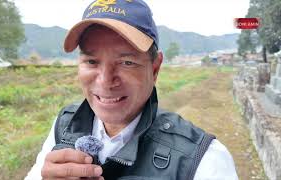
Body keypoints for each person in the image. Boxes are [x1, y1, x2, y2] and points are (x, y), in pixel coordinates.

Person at [25, 0, 238, 179]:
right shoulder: (64, 126)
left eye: (127, 62)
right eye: (91, 61)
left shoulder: (201, 160)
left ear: (155, 68)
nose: (105, 81)